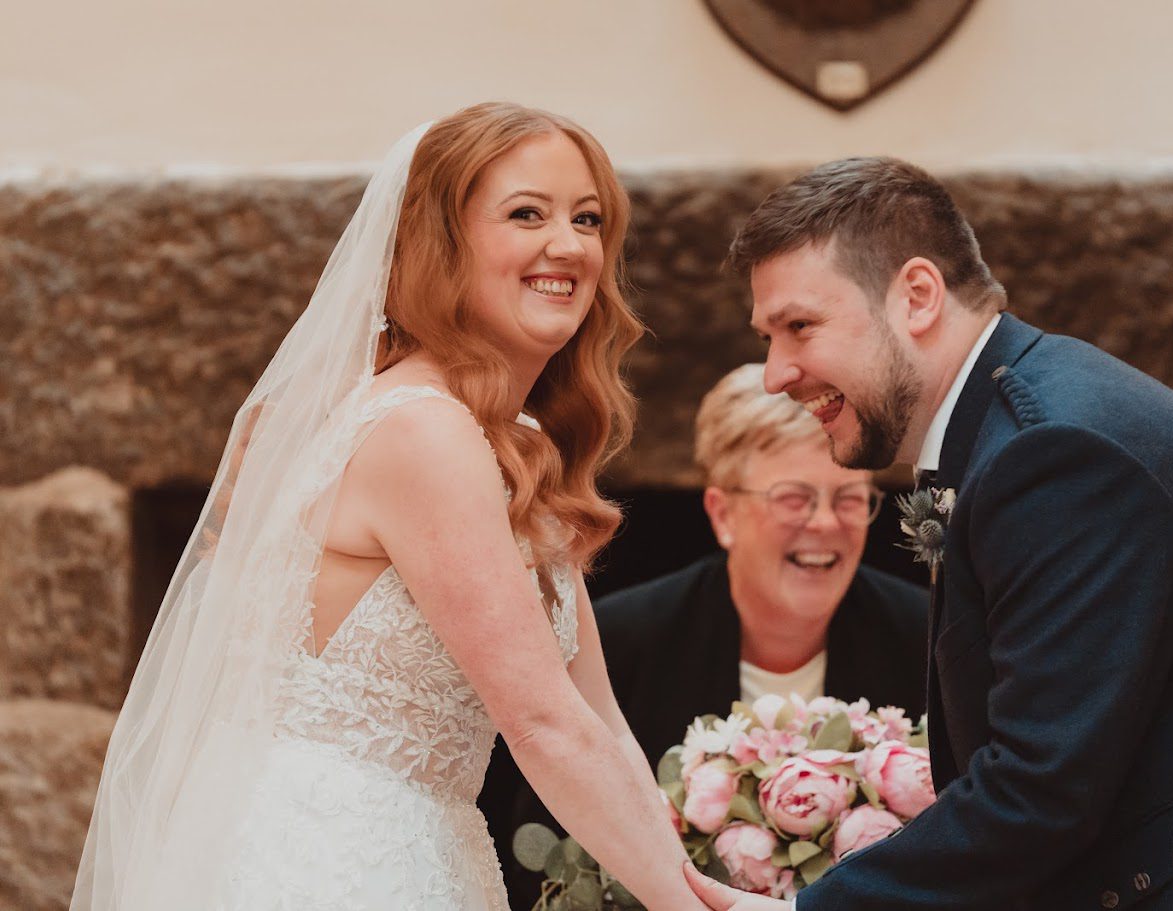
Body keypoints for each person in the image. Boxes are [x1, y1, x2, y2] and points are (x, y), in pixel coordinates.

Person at [72, 104, 710, 911]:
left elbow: (596, 719)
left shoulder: (512, 439)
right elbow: (543, 724)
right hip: (331, 860)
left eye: (588, 218)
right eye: (527, 214)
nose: (570, 245)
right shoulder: (421, 432)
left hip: (431, 849)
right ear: (439, 243)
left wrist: (695, 886)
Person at [684, 157, 1173, 910]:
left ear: (917, 295)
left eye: (799, 327)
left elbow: (1041, 787)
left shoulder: (1056, 454)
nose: (776, 371)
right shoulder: (1012, 424)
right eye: (768, 336)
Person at [481, 363, 929, 908]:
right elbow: (553, 857)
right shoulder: (622, 644)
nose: (825, 523)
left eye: (850, 499)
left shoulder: (926, 640)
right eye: (793, 498)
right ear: (723, 514)